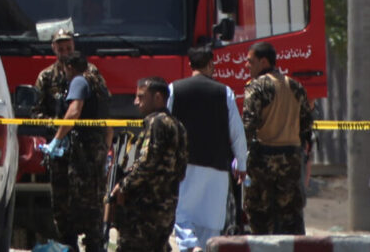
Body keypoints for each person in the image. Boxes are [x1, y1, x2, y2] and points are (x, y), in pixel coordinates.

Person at [167, 45, 247, 252]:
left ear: (189, 64)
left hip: (186, 166)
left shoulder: (175, 89)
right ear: (211, 64)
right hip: (217, 168)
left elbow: (164, 124)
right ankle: (202, 248)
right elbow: (237, 131)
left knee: (182, 215)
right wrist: (241, 162)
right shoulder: (225, 92)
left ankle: (190, 247)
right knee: (211, 223)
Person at [40, 32, 110, 252]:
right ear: (53, 48)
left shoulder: (87, 77)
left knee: (89, 205)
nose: (65, 52)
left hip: (82, 153)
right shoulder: (46, 77)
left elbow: (78, 113)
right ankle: (69, 246)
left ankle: (90, 245)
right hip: (64, 156)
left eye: (68, 47)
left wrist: (59, 137)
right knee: (63, 207)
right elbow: (37, 112)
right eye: (60, 48)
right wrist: (56, 130)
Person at [240, 41, 313, 235]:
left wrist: (239, 156)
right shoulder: (295, 86)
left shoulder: (257, 87)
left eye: (250, 61)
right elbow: (306, 123)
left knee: (260, 215)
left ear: (263, 62)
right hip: (291, 158)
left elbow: (249, 124)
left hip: (263, 159)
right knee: (291, 216)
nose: (247, 66)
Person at [109, 77, 187, 252]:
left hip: (145, 210)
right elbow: (181, 169)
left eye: (141, 97)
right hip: (166, 206)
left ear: (158, 98)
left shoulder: (155, 122)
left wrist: (123, 186)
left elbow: (146, 163)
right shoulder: (177, 125)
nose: (136, 102)